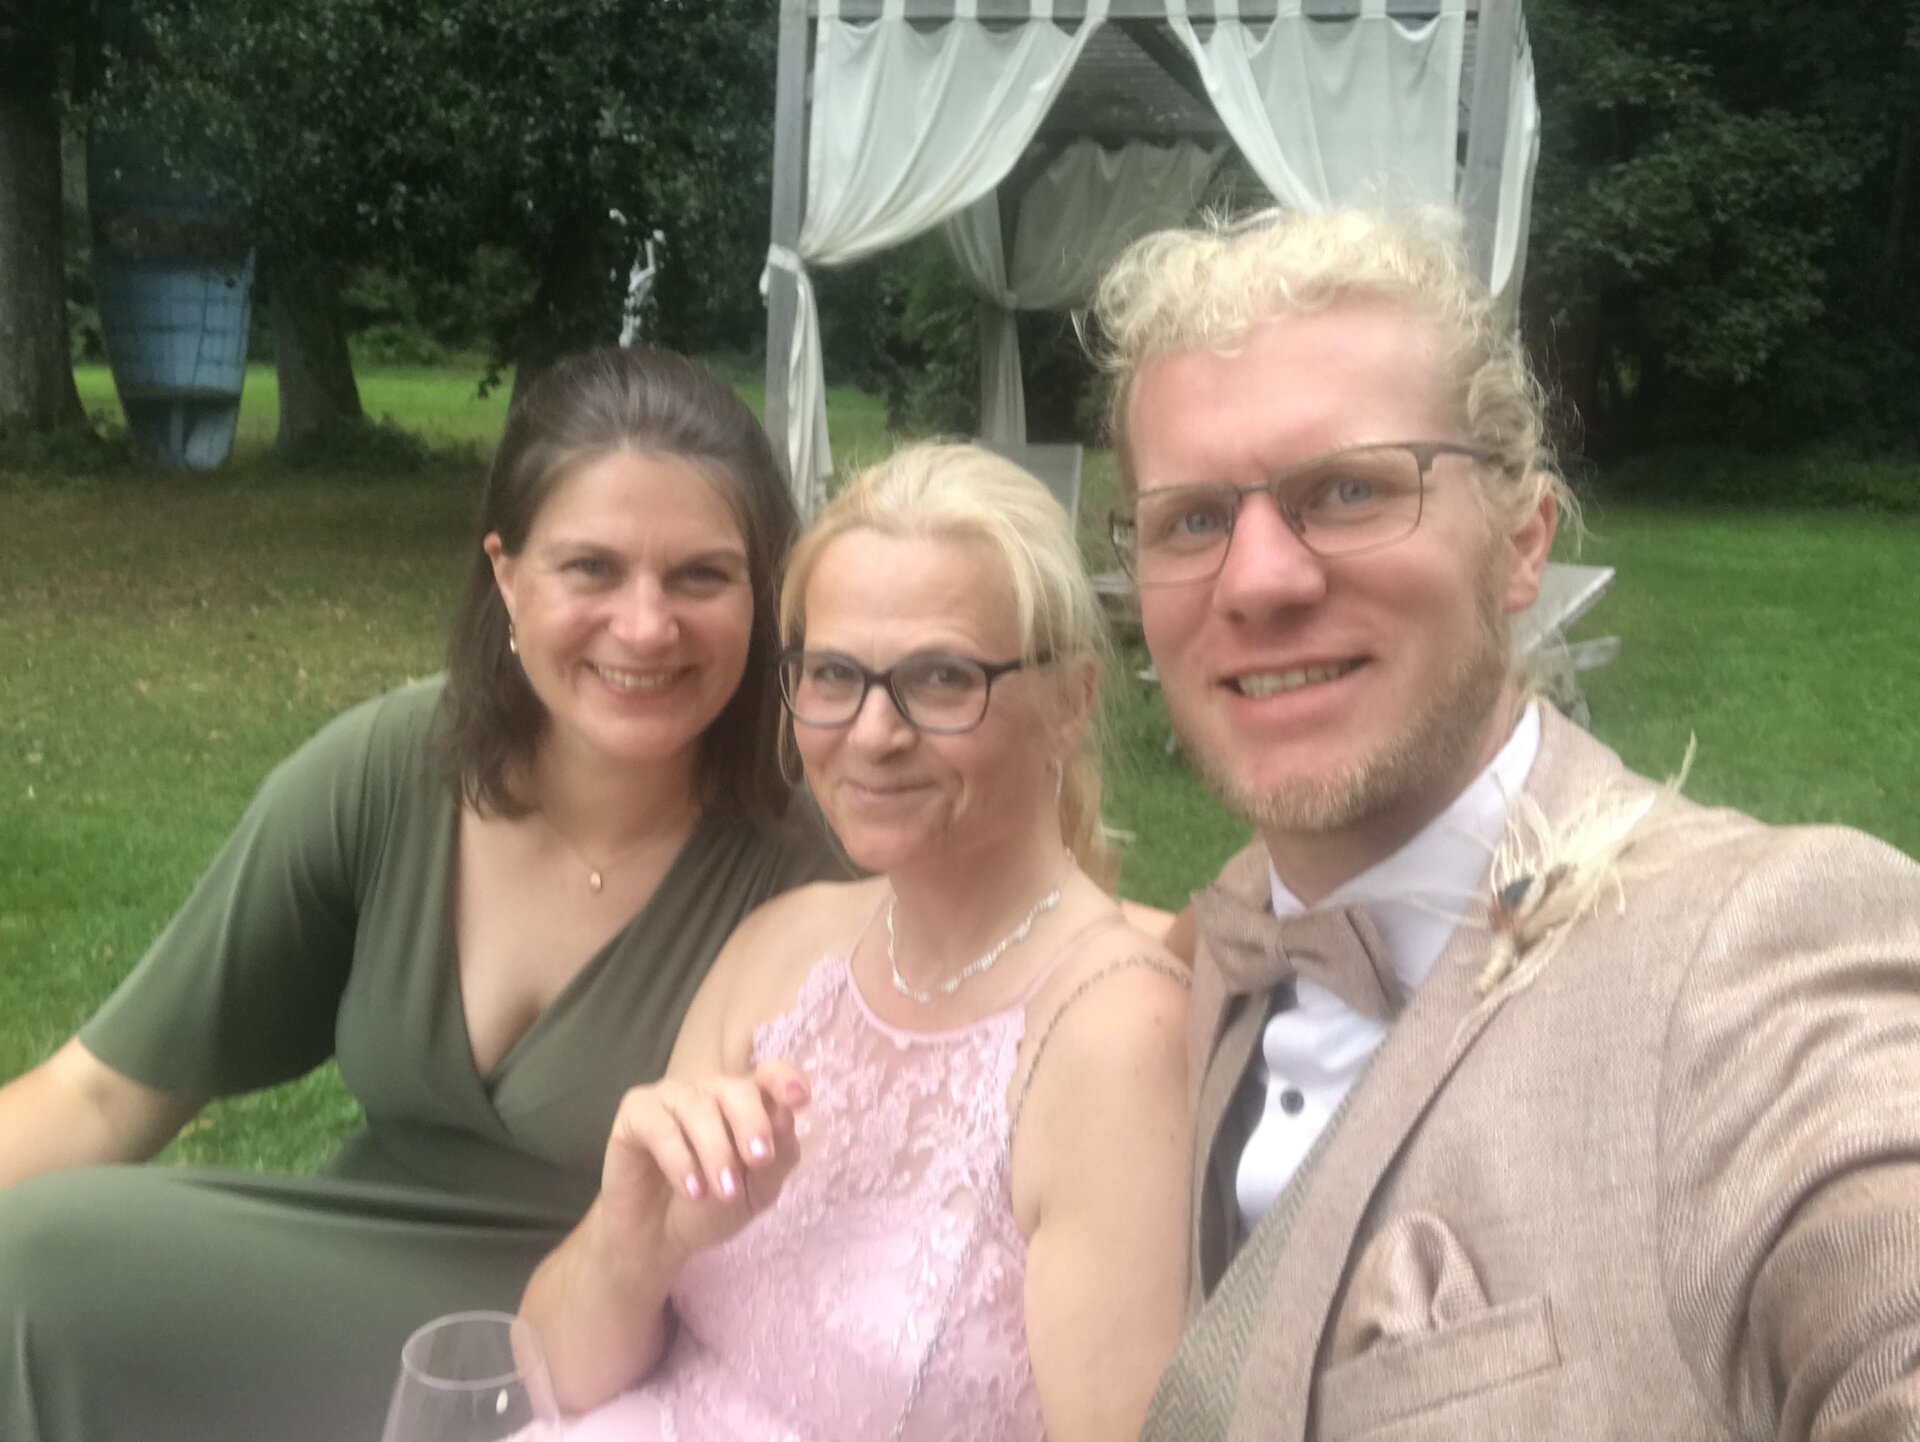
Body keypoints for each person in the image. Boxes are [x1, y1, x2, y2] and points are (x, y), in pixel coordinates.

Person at [1088, 208, 1920, 1440]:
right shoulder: (1229, 937)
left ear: (1521, 545)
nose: (1257, 579)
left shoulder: (1758, 957)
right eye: (1193, 519)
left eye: (1351, 489)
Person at [0, 347, 849, 1442]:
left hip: (622, 1338)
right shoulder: (393, 769)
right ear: (507, 574)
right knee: (35, 1264)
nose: (646, 625)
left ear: (764, 592)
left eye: (700, 576)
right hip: (345, 1265)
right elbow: (103, 1094)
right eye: (591, 567)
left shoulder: (816, 859)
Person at [520, 442, 1192, 1442]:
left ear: (1070, 701)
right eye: (834, 673)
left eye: (942, 677)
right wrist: (633, 1243)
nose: (873, 732)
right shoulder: (782, 948)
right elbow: (549, 1373)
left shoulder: (1117, 1040)